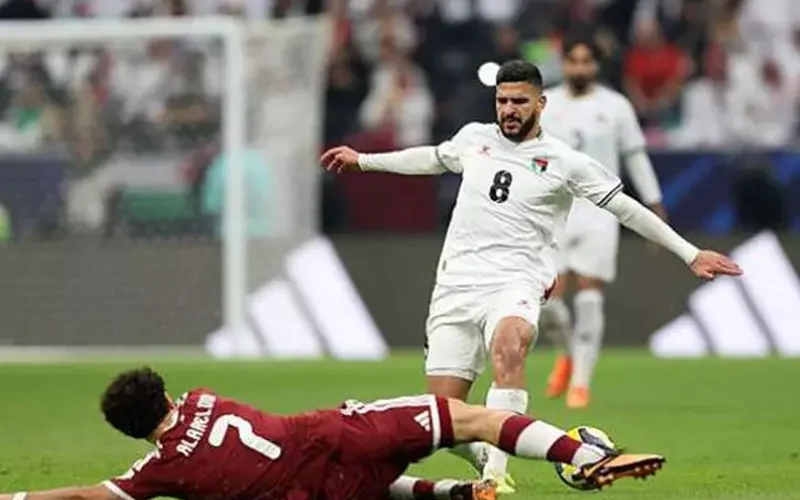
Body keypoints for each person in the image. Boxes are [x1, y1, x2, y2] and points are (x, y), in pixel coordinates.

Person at [320, 59, 741, 492]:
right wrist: (363, 161)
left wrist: (690, 253)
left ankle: (494, 477)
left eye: (519, 101)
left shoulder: (565, 162)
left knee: (509, 346)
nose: (509, 109)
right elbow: (431, 158)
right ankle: (488, 452)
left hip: (516, 282)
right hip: (455, 284)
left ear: (541, 104)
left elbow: (625, 208)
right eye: (502, 101)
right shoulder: (474, 139)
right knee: (445, 417)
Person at [1, 367, 666, 500]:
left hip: (325, 490)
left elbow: (90, 496)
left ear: (131, 432)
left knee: (341, 490)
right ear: (169, 395)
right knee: (473, 418)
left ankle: (447, 495)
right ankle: (582, 456)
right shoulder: (203, 397)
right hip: (337, 433)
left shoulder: (159, 472)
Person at [538, 33, 667, 410]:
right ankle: (567, 354)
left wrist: (654, 202)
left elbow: (635, 155)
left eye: (586, 61)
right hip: (555, 208)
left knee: (590, 294)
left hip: (600, 209)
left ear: (596, 65)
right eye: (573, 61)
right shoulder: (546, 104)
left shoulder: (616, 106)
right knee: (547, 299)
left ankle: (581, 383)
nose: (579, 68)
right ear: (564, 64)